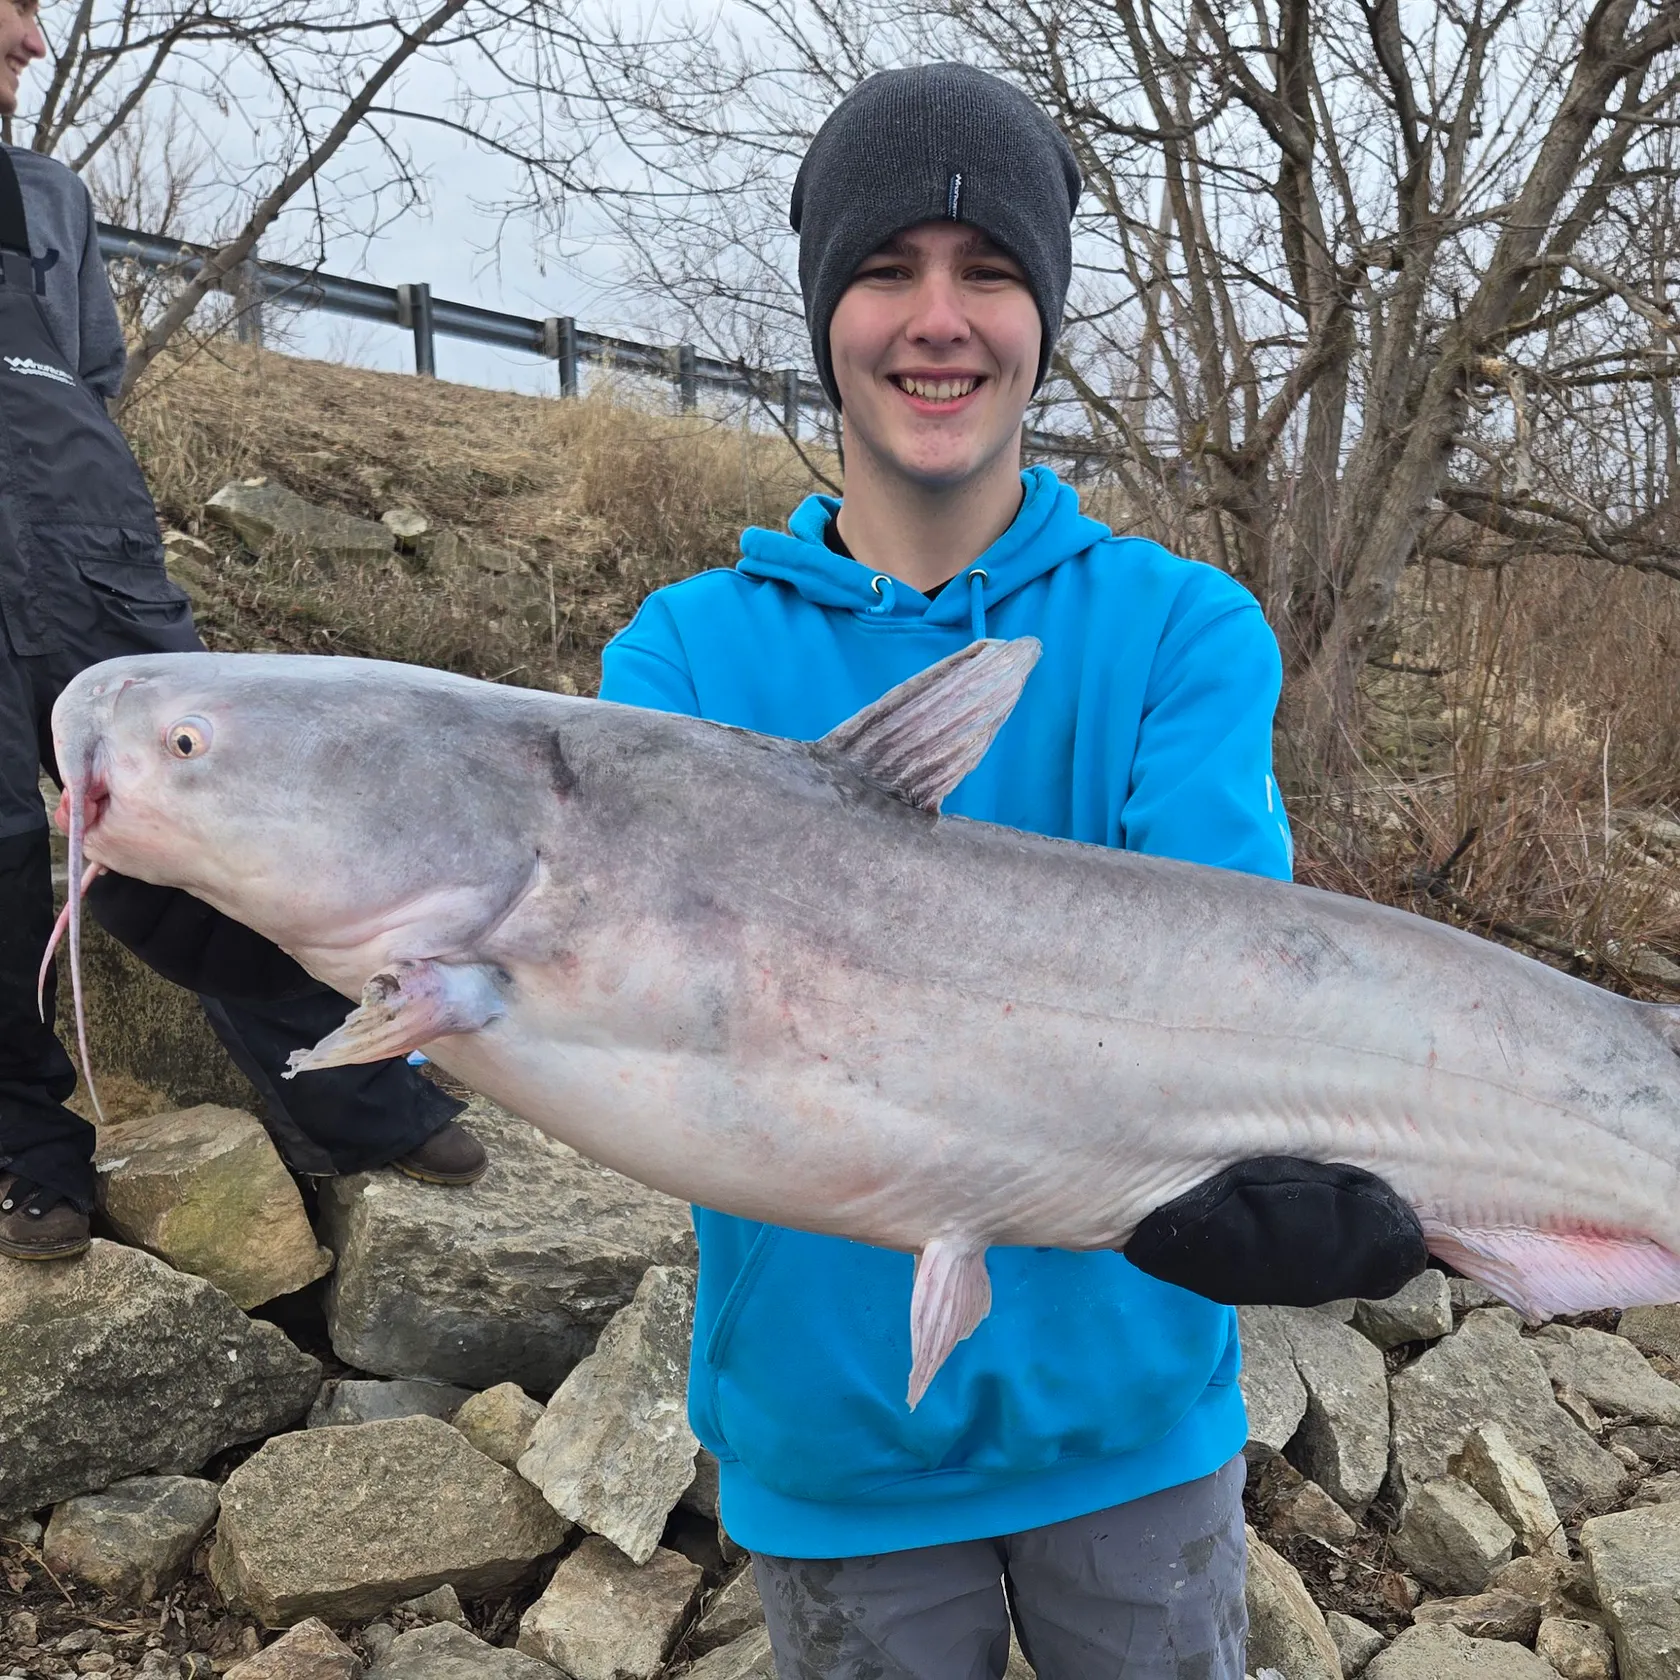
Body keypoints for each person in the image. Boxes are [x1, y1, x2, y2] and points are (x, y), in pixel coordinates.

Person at [599, 64, 1426, 1680]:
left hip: (1135, 1430)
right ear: (823, 309)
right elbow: (616, 999)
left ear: (1043, 314)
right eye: (887, 270)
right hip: (834, 1454)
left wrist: (1307, 1175)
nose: (939, 318)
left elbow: (1221, 973)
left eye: (988, 273)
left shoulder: (1182, 629)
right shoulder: (683, 659)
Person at [0, 0, 487, 1263]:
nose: (34, 39)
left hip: (86, 558)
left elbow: (87, 381)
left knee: (228, 827)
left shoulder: (46, 197)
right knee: (3, 865)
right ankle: (28, 1151)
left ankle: (355, 1095)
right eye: (12, 5)